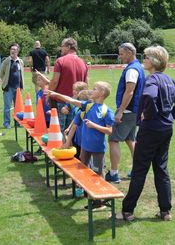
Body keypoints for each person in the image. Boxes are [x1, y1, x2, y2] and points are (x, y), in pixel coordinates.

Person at [121, 46, 175, 222]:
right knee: (161, 169)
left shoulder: (152, 80)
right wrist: (171, 116)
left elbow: (150, 97)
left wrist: (148, 116)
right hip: (166, 129)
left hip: (151, 130)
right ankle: (165, 211)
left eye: (146, 57)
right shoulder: (169, 80)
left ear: (154, 61)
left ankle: (127, 211)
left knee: (140, 169)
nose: (144, 59)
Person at [48, 81, 114, 210]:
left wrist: (93, 125)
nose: (92, 91)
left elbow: (109, 131)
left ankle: (100, 199)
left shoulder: (107, 111)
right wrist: (56, 94)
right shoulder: (88, 106)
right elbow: (72, 101)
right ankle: (89, 194)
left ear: (101, 94)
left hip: (98, 149)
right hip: (85, 147)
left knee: (98, 173)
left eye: (94, 89)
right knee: (83, 171)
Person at [105, 43, 145, 184]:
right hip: (134, 111)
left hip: (127, 111)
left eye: (121, 54)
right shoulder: (138, 66)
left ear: (129, 52)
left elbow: (129, 91)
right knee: (130, 139)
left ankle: (114, 173)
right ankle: (137, 170)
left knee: (113, 139)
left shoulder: (132, 70)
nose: (119, 57)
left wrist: (120, 111)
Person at [48, 38, 88, 131]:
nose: (61, 49)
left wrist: (49, 93)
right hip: (76, 102)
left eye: (62, 46)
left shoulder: (60, 61)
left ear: (68, 47)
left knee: (59, 129)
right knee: (72, 130)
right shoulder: (83, 63)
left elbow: (54, 81)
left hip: (61, 100)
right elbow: (86, 84)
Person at [0, 43, 24, 129]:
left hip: (18, 88)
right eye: (12, 49)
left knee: (18, 107)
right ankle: (6, 123)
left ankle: (17, 123)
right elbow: (1, 72)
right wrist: (5, 81)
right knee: (7, 107)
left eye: (15, 49)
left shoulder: (20, 61)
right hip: (8, 87)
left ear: (18, 51)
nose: (13, 51)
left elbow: (21, 74)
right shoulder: (6, 61)